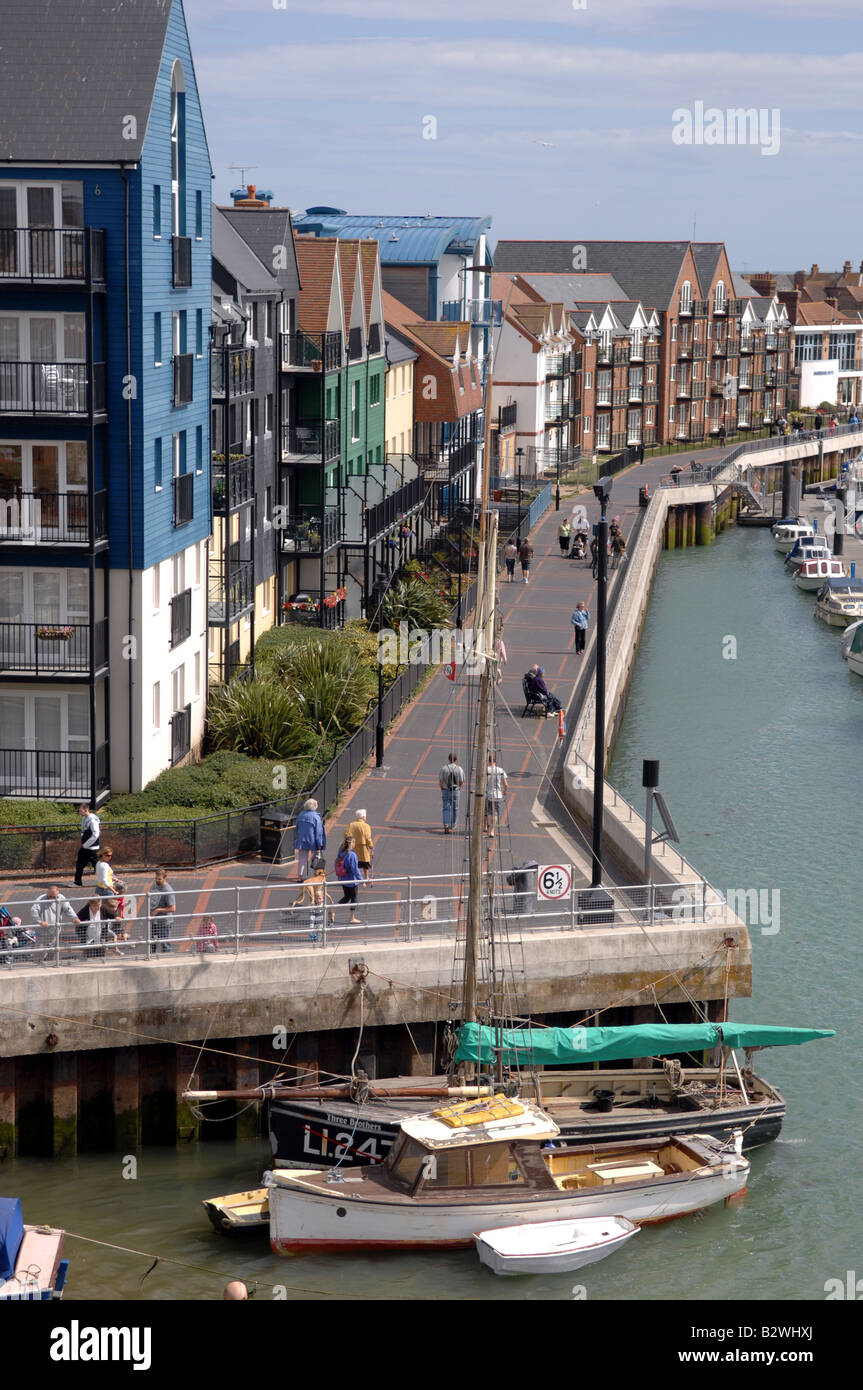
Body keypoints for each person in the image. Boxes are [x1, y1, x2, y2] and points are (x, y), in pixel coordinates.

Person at [30, 884, 79, 964]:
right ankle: (37, 964)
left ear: (58, 893)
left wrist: (74, 917)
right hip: (42, 932)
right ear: (47, 893)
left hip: (55, 931)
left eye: (54, 897)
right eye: (50, 896)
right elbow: (34, 911)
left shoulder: (61, 898)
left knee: (53, 950)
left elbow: (68, 909)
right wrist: (40, 921)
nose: (52, 899)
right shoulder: (41, 899)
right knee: (40, 951)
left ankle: (50, 964)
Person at [294, 798, 326, 882]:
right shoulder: (316, 816)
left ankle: (299, 876)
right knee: (316, 857)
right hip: (313, 841)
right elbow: (318, 832)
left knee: (302, 858)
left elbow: (297, 827)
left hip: (302, 840)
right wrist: (319, 843)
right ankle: (317, 875)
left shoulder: (301, 814)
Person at [148, 867, 176, 955]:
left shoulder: (168, 890)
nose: (157, 881)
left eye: (159, 879)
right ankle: (151, 958)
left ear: (164, 878)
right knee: (152, 943)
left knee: (165, 944)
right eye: (156, 878)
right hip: (154, 921)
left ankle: (166, 959)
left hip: (164, 922)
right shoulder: (154, 885)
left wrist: (158, 910)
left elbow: (173, 908)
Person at [335, 835, 362, 924]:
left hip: (343, 879)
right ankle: (352, 917)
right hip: (352, 881)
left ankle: (334, 908)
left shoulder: (341, 852)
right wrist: (361, 880)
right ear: (352, 844)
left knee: (346, 897)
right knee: (354, 899)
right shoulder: (352, 855)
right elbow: (355, 869)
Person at [77, 897, 113, 961]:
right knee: (89, 958)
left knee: (101, 958)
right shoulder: (85, 910)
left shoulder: (103, 908)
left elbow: (113, 914)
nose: (97, 908)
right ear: (90, 905)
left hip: (100, 938)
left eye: (99, 905)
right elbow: (77, 918)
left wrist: (117, 920)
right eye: (94, 906)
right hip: (88, 939)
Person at [74, 802, 101, 886]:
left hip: (92, 848)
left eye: (80, 811)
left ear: (86, 810)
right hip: (85, 848)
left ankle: (109, 881)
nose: (79, 813)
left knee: (98, 867)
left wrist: (86, 844)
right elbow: (84, 830)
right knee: (79, 864)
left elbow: (96, 834)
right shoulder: (84, 818)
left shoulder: (93, 820)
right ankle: (77, 882)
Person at [439, 751, 465, 834]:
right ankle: (453, 824)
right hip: (455, 790)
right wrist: (459, 787)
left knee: (446, 808)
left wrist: (442, 788)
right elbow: (462, 780)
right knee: (455, 808)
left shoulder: (444, 768)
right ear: (456, 759)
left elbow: (440, 780)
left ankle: (446, 824)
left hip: (446, 790)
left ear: (448, 759)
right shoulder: (459, 769)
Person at [484, 754, 508, 838]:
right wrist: (505, 791)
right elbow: (506, 784)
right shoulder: (500, 770)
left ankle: (485, 826)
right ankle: (492, 831)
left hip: (487, 794)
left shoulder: (486, 770)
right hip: (497, 795)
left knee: (486, 811)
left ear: (488, 761)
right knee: (495, 813)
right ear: (495, 761)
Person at [346, 809, 374, 880]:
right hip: (363, 847)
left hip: (353, 846)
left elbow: (346, 834)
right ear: (363, 817)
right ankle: (366, 877)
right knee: (365, 863)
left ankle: (354, 877)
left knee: (354, 863)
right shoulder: (366, 826)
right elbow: (368, 837)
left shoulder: (351, 825)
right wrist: (371, 845)